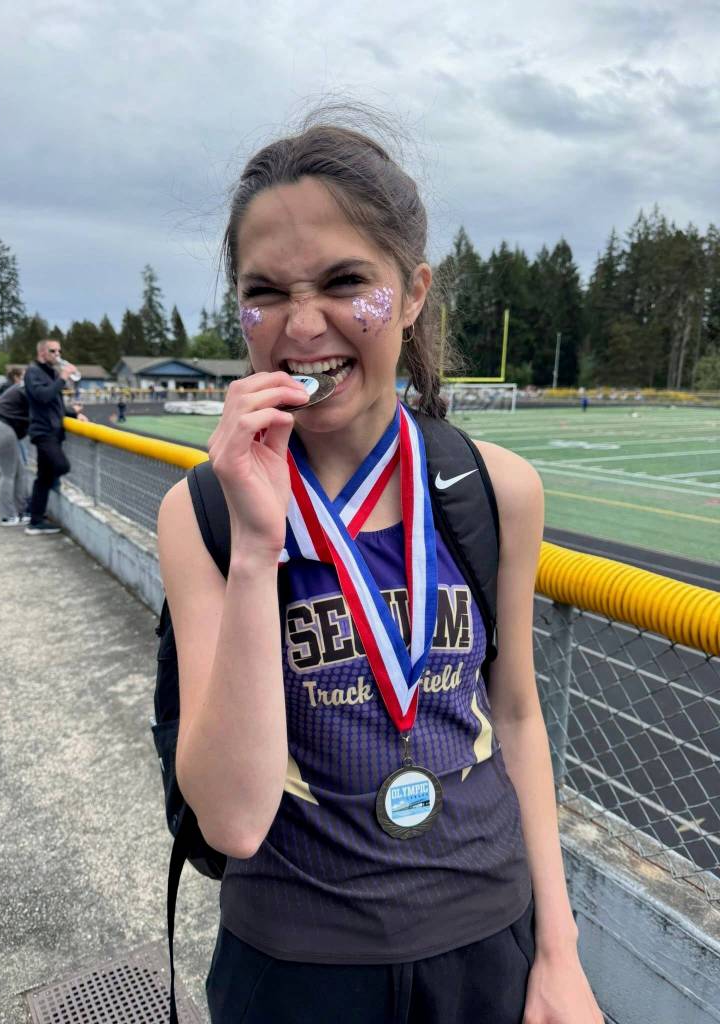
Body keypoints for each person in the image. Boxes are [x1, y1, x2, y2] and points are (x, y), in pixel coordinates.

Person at [157, 118, 603, 1024]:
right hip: (294, 964)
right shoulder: (200, 514)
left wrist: (558, 952)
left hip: (487, 944)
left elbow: (516, 716)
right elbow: (234, 822)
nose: (303, 324)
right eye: (266, 293)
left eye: (345, 281)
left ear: (411, 294)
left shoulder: (495, 491)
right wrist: (254, 544)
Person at [23, 339, 87, 535]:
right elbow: (43, 396)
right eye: (53, 351)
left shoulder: (50, 372)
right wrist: (63, 378)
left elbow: (55, 406)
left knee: (43, 478)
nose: (57, 354)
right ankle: (33, 510)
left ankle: (35, 518)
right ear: (42, 353)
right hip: (43, 432)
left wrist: (75, 414)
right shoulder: (33, 371)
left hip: (53, 431)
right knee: (61, 466)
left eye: (59, 350)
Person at [0, 368, 31, 524]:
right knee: (9, 473)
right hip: (1, 428)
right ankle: (8, 515)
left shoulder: (22, 387)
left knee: (20, 472)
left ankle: (20, 511)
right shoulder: (25, 390)